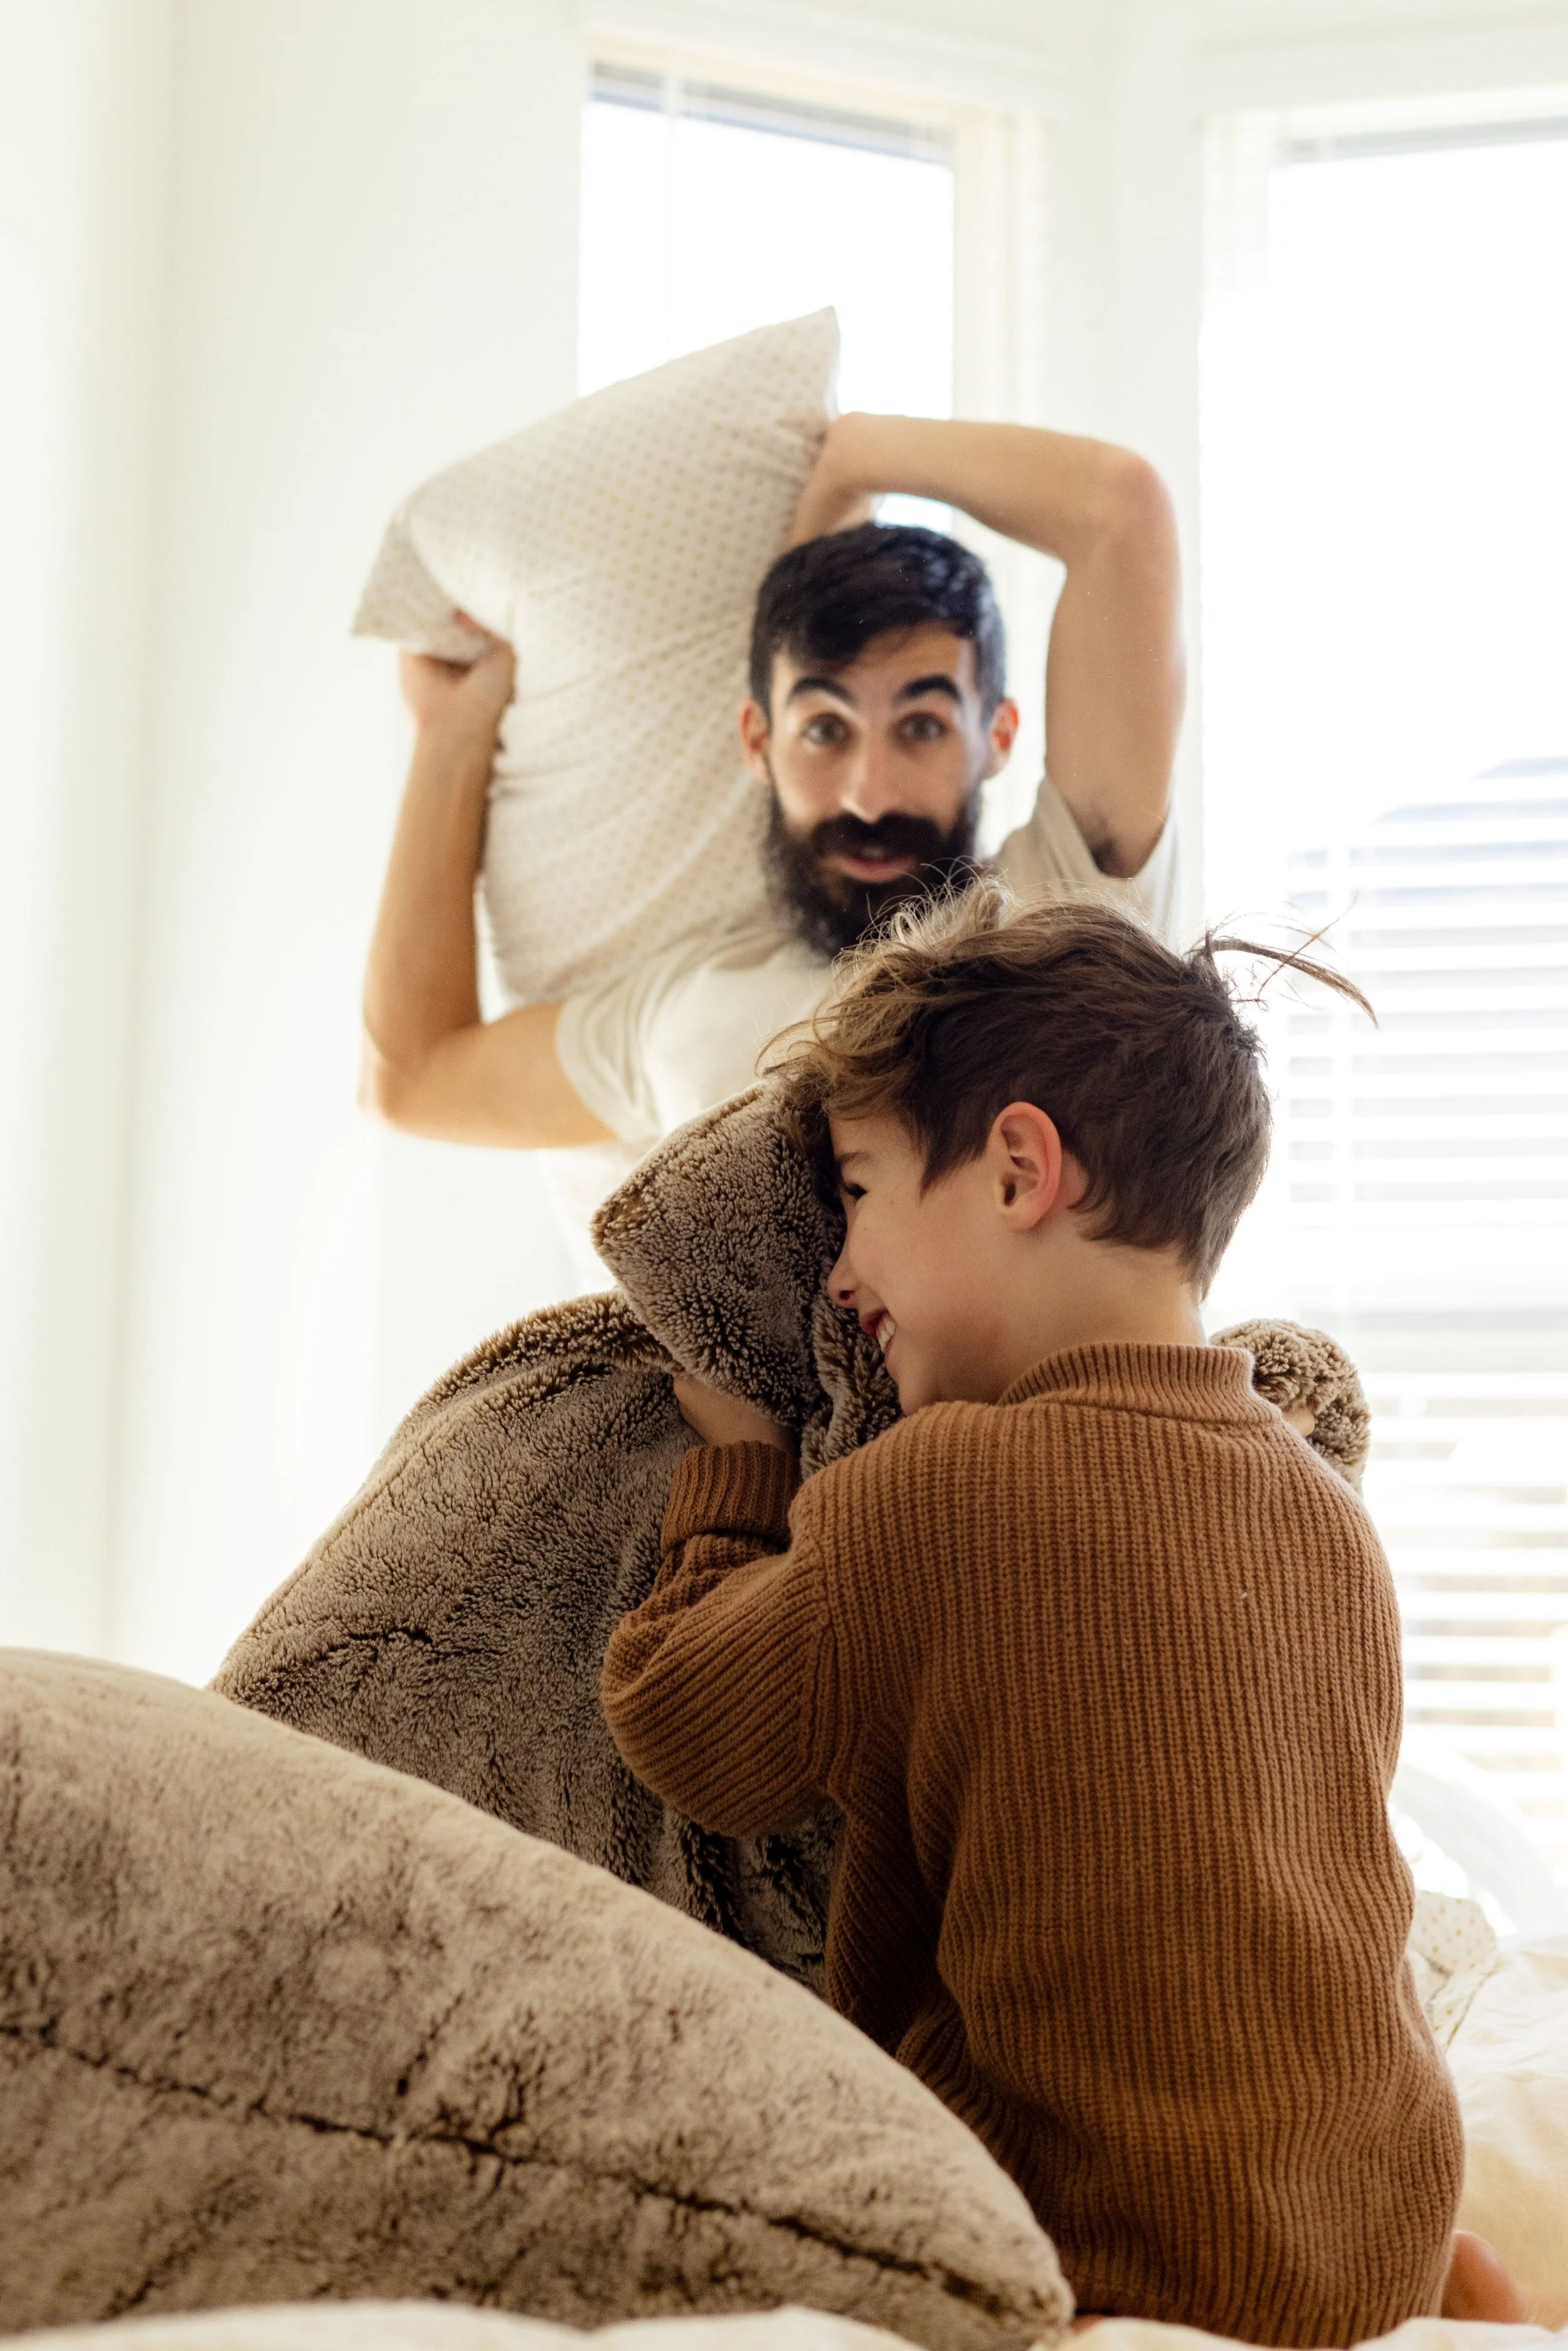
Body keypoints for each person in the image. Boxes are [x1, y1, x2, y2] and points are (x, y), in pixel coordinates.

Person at [599, 884, 1475, 2345]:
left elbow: (678, 1716)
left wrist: (738, 1458)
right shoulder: (1331, 1521)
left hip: (1095, 2249)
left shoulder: (934, 1490)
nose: (837, 1268)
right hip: (1369, 2237)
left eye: (863, 1190)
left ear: (1017, 1167)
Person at [360, 415, 1184, 1268]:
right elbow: (413, 1074)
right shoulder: (683, 1007)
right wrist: (451, 733)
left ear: (996, 736)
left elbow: (1120, 510)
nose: (870, 794)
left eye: (923, 726)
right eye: (826, 729)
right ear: (758, 742)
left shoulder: (1062, 905)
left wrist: (853, 458)